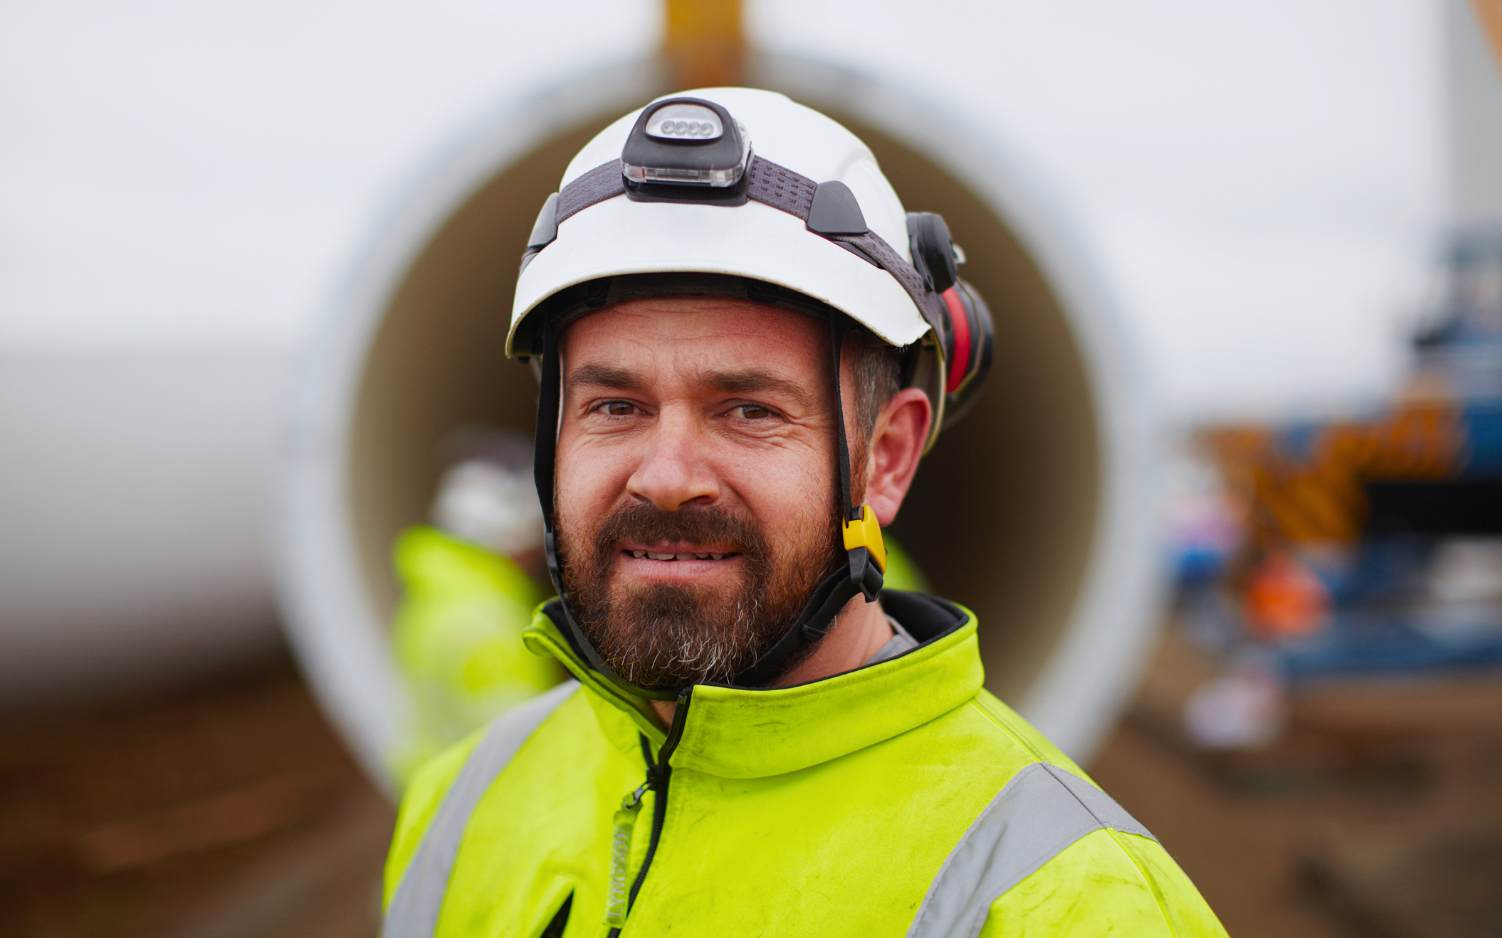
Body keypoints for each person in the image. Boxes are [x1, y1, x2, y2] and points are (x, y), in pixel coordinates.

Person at [382, 88, 1227, 937]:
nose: (667, 477)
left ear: (887, 459)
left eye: (748, 410)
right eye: (614, 407)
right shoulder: (465, 799)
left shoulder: (1067, 902)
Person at [390, 429, 563, 778]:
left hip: (435, 791)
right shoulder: (490, 621)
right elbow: (523, 753)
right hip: (484, 801)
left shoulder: (435, 599)